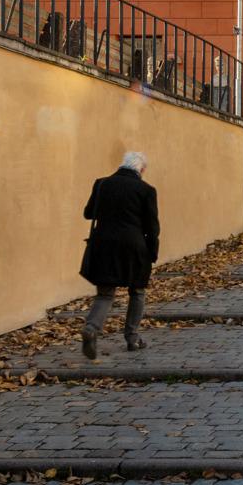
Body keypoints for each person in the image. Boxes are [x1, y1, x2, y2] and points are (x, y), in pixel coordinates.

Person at [79, 149, 161, 358]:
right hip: (134, 247)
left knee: (105, 293)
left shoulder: (101, 184)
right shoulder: (146, 190)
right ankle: (132, 338)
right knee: (137, 292)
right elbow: (152, 227)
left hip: (103, 244)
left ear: (122, 164)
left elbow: (89, 213)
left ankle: (91, 328)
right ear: (141, 169)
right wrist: (152, 252)